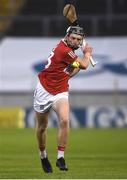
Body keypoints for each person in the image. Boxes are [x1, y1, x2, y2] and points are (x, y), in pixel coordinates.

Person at [34, 25, 93, 173]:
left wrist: (67, 75)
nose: (75, 41)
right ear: (67, 37)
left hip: (60, 91)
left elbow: (70, 70)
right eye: (72, 38)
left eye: (78, 39)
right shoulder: (64, 50)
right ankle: (43, 156)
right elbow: (85, 65)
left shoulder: (69, 50)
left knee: (65, 120)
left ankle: (60, 157)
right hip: (44, 89)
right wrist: (87, 53)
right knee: (42, 127)